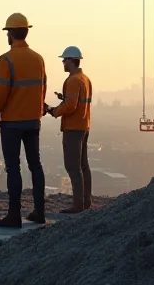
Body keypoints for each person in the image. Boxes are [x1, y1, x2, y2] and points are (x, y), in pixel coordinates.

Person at [0, 13, 47, 228]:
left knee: (13, 168)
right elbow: (43, 88)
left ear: (10, 33)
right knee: (35, 165)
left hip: (12, 122)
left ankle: (14, 215)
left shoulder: (6, 60)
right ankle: (39, 211)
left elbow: (0, 92)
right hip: (33, 120)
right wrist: (38, 110)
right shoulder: (38, 58)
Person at [47, 46, 93, 213]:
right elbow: (79, 102)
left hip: (73, 128)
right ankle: (86, 202)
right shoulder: (85, 79)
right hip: (83, 125)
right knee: (83, 166)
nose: (63, 62)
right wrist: (64, 98)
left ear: (72, 61)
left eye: (65, 60)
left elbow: (70, 106)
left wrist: (53, 111)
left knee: (73, 167)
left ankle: (78, 205)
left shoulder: (73, 80)